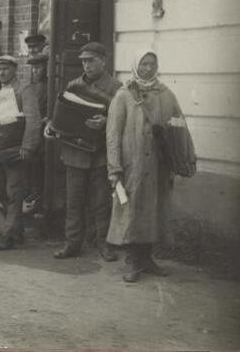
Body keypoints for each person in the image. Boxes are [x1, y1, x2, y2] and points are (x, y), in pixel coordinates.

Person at [106, 50, 195, 282]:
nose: (148, 68)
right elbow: (113, 134)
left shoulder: (166, 94)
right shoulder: (124, 95)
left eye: (152, 64)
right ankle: (133, 261)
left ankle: (147, 259)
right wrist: (114, 168)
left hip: (158, 165)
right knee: (131, 211)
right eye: (143, 64)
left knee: (154, 210)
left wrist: (183, 158)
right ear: (136, 65)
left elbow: (179, 126)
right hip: (131, 165)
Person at [51, 42, 121, 262]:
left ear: (103, 60)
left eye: (91, 60)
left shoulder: (116, 88)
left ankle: (104, 243)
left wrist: (106, 120)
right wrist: (52, 125)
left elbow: (124, 121)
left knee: (101, 202)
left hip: (100, 153)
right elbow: (61, 112)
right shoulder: (73, 85)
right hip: (74, 151)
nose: (86, 65)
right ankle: (72, 243)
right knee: (73, 200)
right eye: (83, 60)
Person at [0, 55, 41, 251]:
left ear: (14, 70)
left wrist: (28, 147)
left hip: (16, 150)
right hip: (0, 149)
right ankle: (17, 230)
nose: (1, 73)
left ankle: (8, 236)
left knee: (13, 194)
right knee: (2, 192)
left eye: (5, 69)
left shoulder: (24, 90)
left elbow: (33, 120)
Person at [23, 52, 49, 214]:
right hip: (33, 131)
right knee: (32, 166)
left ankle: (40, 200)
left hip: (44, 133)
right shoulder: (32, 87)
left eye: (38, 68)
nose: (35, 71)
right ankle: (33, 196)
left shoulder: (49, 86)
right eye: (33, 68)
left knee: (41, 166)